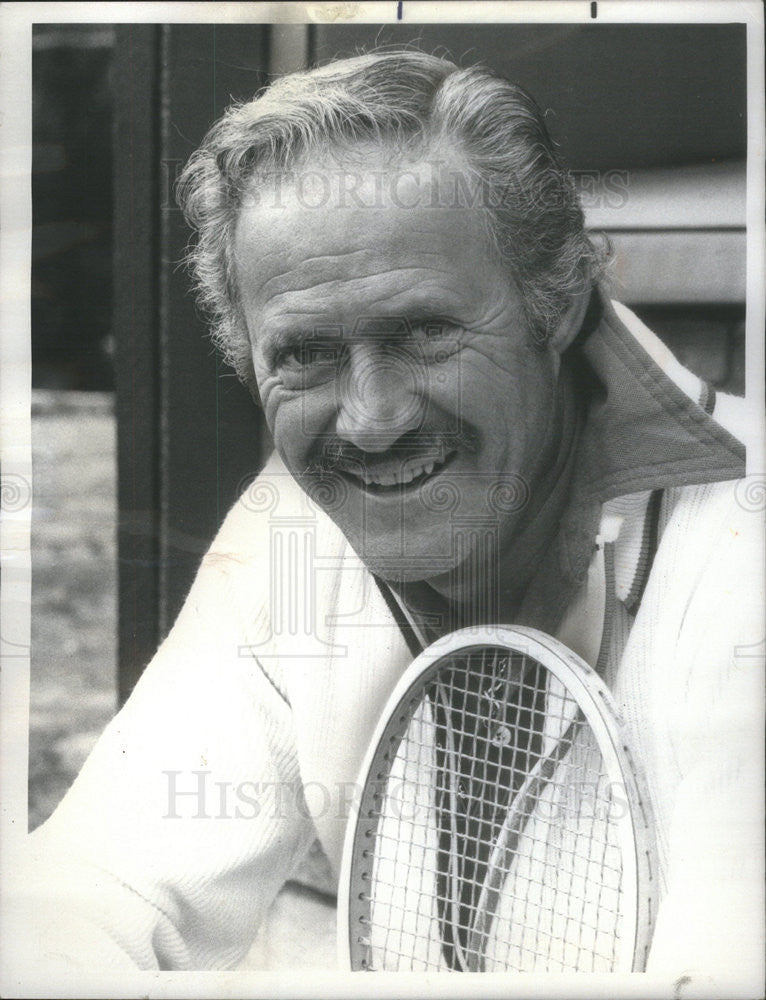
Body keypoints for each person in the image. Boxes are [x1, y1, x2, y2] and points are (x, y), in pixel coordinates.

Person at [11, 50, 762, 985]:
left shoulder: (745, 553)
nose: (371, 418)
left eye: (424, 332)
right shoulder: (297, 526)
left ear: (560, 303)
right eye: (306, 356)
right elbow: (96, 891)